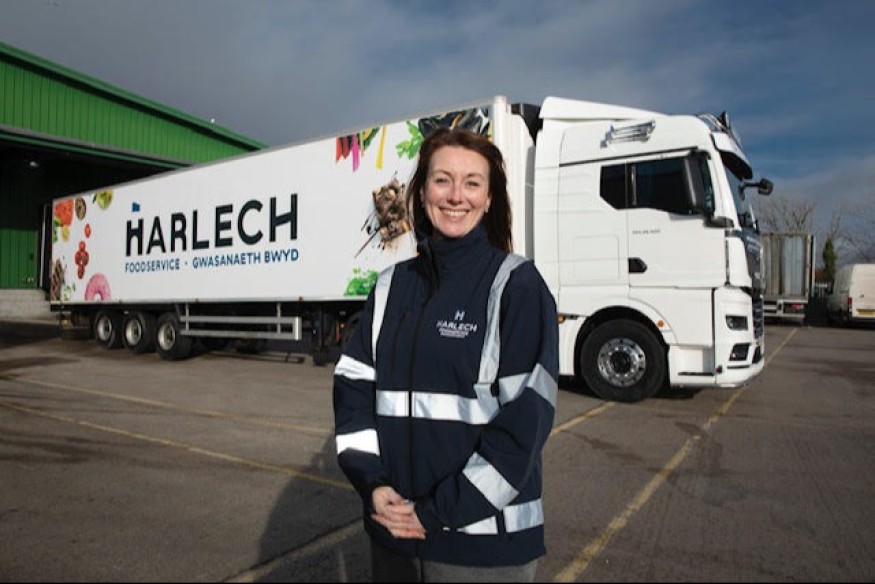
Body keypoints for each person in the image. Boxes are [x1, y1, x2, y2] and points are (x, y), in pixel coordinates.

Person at [333, 127, 558, 582]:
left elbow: (525, 424)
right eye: (442, 180)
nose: (456, 196)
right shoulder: (390, 286)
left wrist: (439, 512)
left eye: (472, 183)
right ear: (421, 191)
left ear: (489, 198)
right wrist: (372, 482)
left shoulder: (517, 287)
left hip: (480, 550)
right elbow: (354, 392)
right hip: (394, 535)